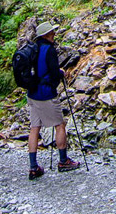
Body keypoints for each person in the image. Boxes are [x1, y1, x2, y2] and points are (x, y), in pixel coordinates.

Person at [27, 21, 80, 179]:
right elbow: (53, 72)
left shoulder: (32, 48)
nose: (53, 34)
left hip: (32, 93)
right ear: (46, 35)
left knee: (34, 127)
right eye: (51, 33)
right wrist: (61, 72)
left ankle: (33, 167)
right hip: (46, 94)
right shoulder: (48, 50)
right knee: (59, 125)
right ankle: (63, 161)